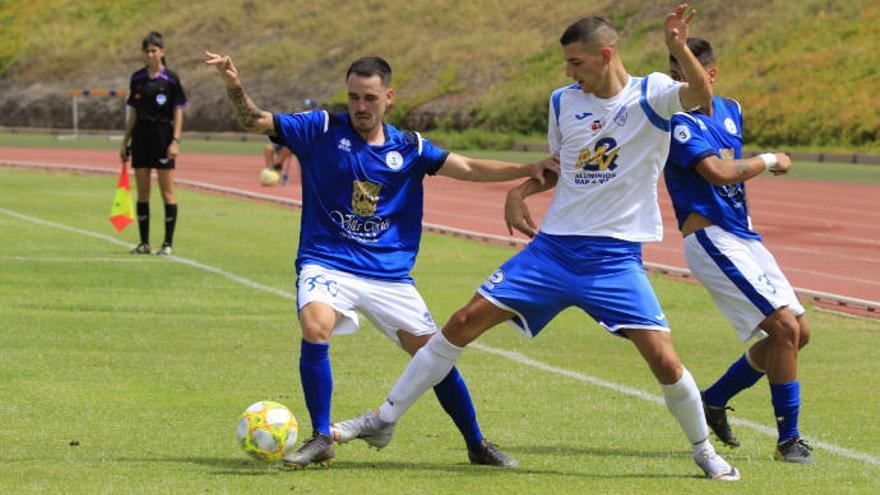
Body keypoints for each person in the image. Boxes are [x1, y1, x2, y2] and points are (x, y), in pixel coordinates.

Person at [333, 5, 742, 480]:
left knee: (665, 361)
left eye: (576, 63)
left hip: (613, 260)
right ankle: (384, 419)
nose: (568, 73)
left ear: (605, 55)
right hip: (552, 251)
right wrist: (522, 189)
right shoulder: (564, 102)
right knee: (462, 322)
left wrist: (676, 49)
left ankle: (703, 450)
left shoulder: (652, 94)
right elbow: (563, 164)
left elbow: (702, 93)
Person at [205, 50, 558, 468]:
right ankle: (321, 436)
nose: (360, 107)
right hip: (327, 260)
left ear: (389, 96)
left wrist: (526, 168)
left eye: (370, 98)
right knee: (315, 326)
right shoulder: (319, 128)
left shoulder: (409, 147)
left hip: (389, 275)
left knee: (434, 359)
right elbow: (257, 121)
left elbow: (465, 166)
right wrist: (234, 85)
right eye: (354, 97)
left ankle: (476, 444)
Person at [664, 37, 813, 464]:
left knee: (799, 333)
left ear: (708, 75)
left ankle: (715, 399)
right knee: (783, 328)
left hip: (744, 235)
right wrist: (768, 160)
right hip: (711, 239)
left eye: (687, 72)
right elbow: (716, 172)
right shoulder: (677, 122)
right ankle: (789, 441)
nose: (680, 81)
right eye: (674, 73)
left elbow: (731, 172)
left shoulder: (732, 110)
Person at [120, 31, 187, 256]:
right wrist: (125, 141)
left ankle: (167, 244)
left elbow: (178, 112)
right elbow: (133, 114)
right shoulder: (137, 79)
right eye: (147, 51)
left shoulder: (171, 79)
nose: (150, 54)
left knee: (167, 192)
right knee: (143, 192)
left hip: (162, 136)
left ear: (162, 52)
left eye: (154, 50)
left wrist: (175, 141)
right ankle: (144, 243)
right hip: (141, 137)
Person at [263, 99, 318, 186]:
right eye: (305, 108)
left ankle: (278, 165)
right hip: (289, 141)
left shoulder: (317, 121)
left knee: (288, 147)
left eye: (308, 108)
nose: (306, 110)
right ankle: (271, 174)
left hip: (302, 145)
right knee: (269, 148)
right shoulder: (299, 118)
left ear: (314, 109)